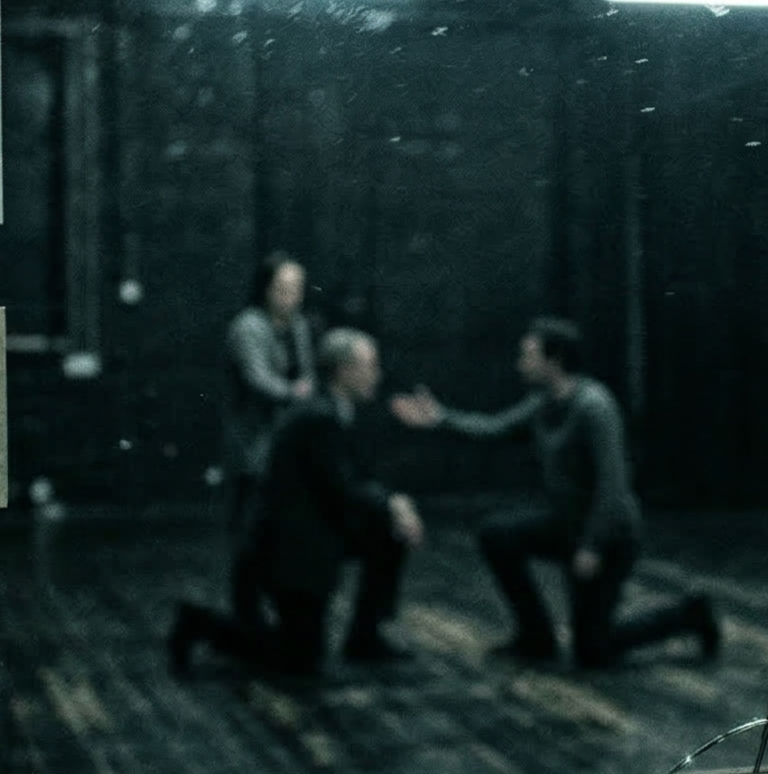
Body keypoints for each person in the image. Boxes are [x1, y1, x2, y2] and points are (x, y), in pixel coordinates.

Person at [390, 317, 717, 667]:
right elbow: (494, 429)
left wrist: (592, 545)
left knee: (593, 649)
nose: (521, 364)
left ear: (555, 359)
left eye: (529, 356)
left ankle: (689, 614)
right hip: (567, 524)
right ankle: (536, 636)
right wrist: (441, 418)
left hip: (609, 536)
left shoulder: (594, 406)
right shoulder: (542, 403)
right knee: (497, 535)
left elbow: (613, 487)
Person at [171, 329, 425, 675]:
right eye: (370, 365)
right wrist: (394, 506)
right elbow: (341, 488)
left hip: (312, 539)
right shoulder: (318, 418)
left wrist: (394, 505)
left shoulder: (333, 410)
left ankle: (366, 636)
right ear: (344, 370)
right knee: (299, 656)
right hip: (290, 552)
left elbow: (356, 481)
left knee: (388, 533)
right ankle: (200, 624)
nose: (377, 375)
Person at [220, 252, 316, 617]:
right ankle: (246, 609)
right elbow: (258, 380)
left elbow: (307, 374)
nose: (293, 297)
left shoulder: (299, 327)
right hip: (253, 443)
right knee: (249, 527)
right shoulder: (249, 326)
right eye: (285, 288)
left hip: (286, 442)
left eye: (298, 289)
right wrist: (295, 393)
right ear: (266, 289)